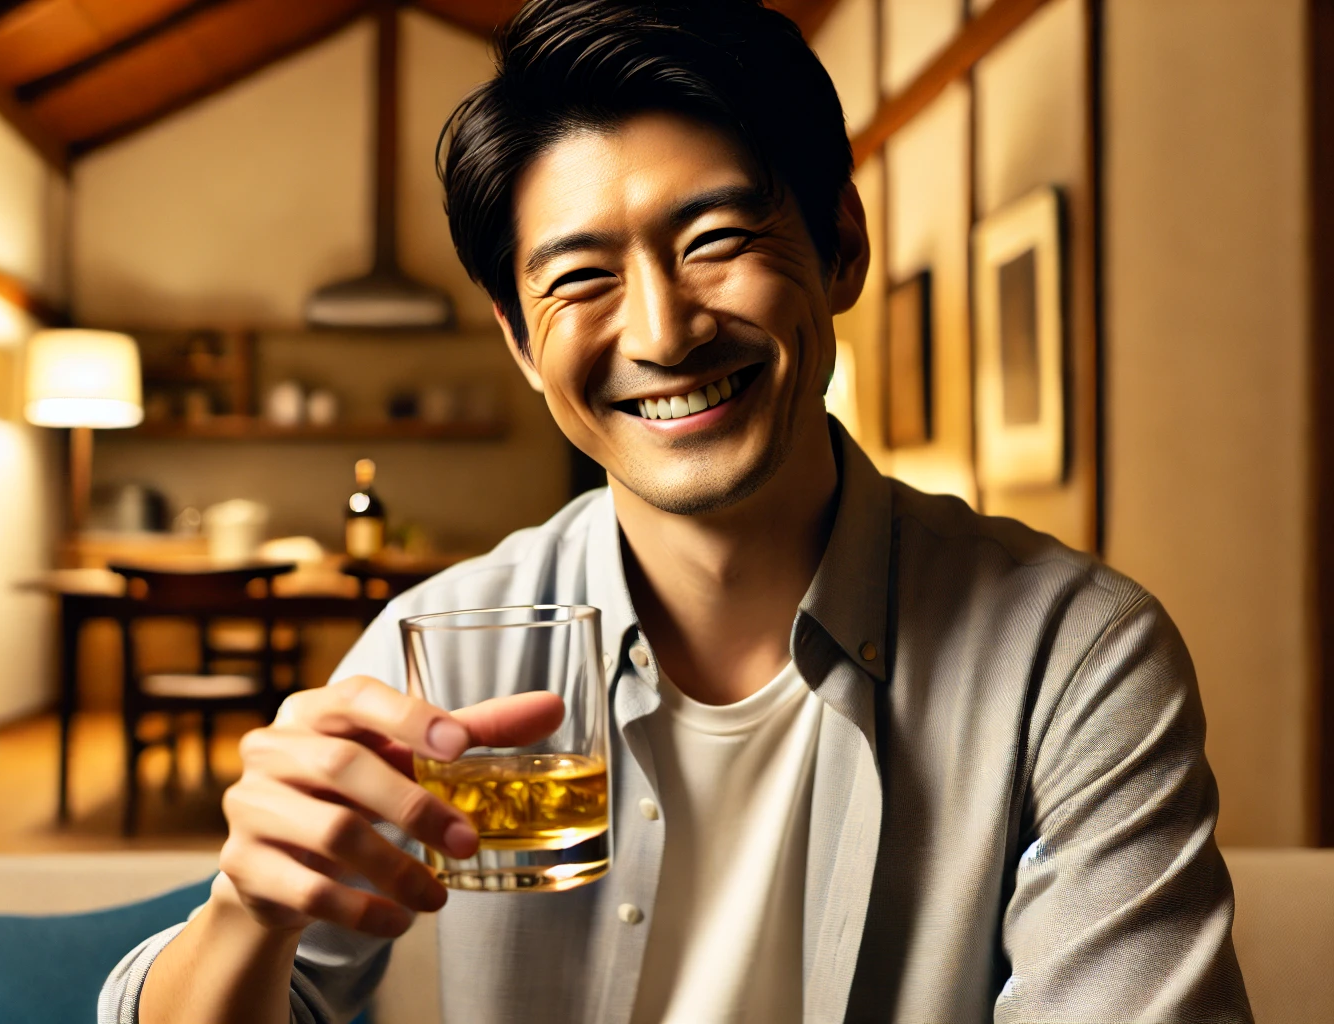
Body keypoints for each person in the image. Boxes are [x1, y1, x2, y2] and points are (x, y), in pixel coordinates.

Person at [102, 1, 1251, 1021]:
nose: (661, 332)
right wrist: (246, 907)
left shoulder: (1071, 657)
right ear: (518, 342)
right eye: (582, 279)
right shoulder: (442, 657)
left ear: (840, 246)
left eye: (715, 241)